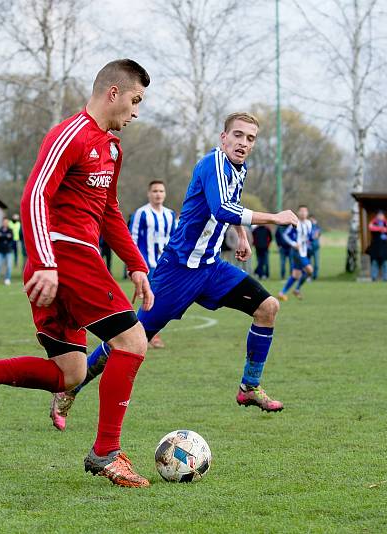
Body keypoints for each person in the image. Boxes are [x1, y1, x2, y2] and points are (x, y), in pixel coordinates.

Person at [0, 59, 155, 488]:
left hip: (64, 263)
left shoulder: (111, 148)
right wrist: (48, 261)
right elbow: (34, 196)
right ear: (113, 92)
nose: (135, 112)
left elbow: (109, 211)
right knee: (132, 341)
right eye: (134, 101)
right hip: (64, 258)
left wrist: (136, 265)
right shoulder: (69, 134)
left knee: (70, 373)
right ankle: (105, 452)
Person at [51, 111, 298, 435]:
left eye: (250, 138)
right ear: (223, 138)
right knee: (131, 340)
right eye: (237, 135)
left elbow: (232, 204)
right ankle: (71, 388)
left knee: (268, 308)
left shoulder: (239, 169)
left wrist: (241, 237)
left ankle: (249, 387)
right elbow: (222, 207)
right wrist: (275, 217)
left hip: (211, 268)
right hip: (177, 273)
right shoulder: (212, 164)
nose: (243, 143)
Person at [130, 180, 176, 348]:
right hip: (146, 265)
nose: (158, 194)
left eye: (161, 191)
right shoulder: (141, 214)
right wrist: (134, 264)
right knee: (150, 299)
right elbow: (131, 240)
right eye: (155, 191)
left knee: (161, 301)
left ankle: (145, 334)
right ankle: (147, 336)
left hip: (165, 266)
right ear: (149, 193)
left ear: (165, 194)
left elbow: (175, 239)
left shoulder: (170, 215)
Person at [279, 205, 314, 297]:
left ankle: (282, 292)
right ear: (298, 213)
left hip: (304, 251)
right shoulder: (295, 223)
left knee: (295, 275)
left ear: (307, 213)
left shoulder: (309, 223)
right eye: (301, 211)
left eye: (305, 211)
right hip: (297, 252)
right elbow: (285, 235)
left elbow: (309, 237)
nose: (303, 213)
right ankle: (297, 289)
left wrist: (312, 238)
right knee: (310, 270)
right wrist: (293, 244)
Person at [366, 210, 387, 282]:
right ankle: (374, 277)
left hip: (384, 247)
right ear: (377, 216)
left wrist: (382, 229)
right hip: (375, 247)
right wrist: (381, 229)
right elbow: (371, 227)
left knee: (385, 262)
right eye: (379, 215)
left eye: (381, 215)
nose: (380, 216)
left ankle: (386, 278)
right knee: (374, 262)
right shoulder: (373, 222)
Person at [0, 217, 15, 286]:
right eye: (4, 222)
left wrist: (3, 236)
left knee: (9, 266)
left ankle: (7, 279)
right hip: (0, 250)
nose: (5, 223)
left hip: (8, 251)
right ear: (2, 222)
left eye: (6, 222)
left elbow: (11, 238)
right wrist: (6, 236)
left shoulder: (10, 230)